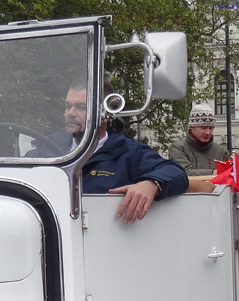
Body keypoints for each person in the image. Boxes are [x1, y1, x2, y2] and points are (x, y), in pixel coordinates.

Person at [59, 86, 187, 223]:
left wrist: (152, 184)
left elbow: (177, 173)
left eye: (81, 107)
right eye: (68, 106)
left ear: (106, 114)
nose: (70, 113)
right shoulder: (48, 150)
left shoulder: (129, 153)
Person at [166, 103, 226, 174]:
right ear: (192, 127)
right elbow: (185, 172)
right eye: (203, 128)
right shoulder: (177, 149)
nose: (208, 132)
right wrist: (213, 173)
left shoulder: (222, 151)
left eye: (211, 128)